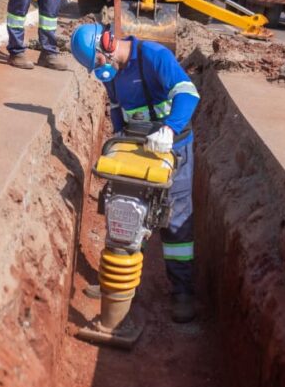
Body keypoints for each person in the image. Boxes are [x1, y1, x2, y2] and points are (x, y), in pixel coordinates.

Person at [70, 22, 201, 323]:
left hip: (173, 147)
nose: (100, 71)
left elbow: (188, 94)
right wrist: (117, 140)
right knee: (129, 213)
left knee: (175, 221)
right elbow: (116, 107)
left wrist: (170, 128)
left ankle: (182, 291)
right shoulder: (112, 74)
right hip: (136, 146)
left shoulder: (153, 56)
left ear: (108, 42)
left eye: (99, 62)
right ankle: (119, 283)